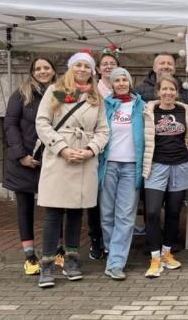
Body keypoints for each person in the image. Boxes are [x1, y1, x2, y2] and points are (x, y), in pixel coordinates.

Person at [35, 50, 109, 288]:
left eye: (87, 66)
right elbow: (42, 122)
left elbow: (103, 130)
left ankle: (72, 260)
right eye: (78, 65)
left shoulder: (96, 97)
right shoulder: (57, 90)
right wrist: (63, 148)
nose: (82, 70)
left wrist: (90, 150)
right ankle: (47, 263)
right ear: (70, 68)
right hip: (60, 157)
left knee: (77, 212)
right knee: (54, 212)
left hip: (85, 158)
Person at [3, 57, 57, 276]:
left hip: (52, 160)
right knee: (25, 208)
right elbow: (10, 125)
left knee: (56, 207)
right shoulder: (21, 94)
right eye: (38, 68)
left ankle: (57, 250)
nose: (42, 71)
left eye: (46, 68)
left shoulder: (61, 93)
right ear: (32, 72)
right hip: (24, 161)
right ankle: (29, 256)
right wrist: (21, 155)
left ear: (54, 70)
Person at [142, 75, 188, 278]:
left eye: (172, 89)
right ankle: (155, 257)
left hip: (180, 165)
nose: (168, 93)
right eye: (164, 89)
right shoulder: (148, 112)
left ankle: (167, 253)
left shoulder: (186, 112)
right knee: (153, 212)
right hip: (156, 166)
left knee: (174, 212)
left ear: (177, 92)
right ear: (158, 92)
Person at [97, 67, 145, 280]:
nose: (121, 83)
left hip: (131, 167)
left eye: (125, 79)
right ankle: (112, 250)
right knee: (107, 214)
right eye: (117, 80)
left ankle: (116, 262)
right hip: (108, 165)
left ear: (130, 82)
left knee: (125, 216)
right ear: (112, 84)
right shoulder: (104, 105)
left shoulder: (141, 106)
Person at [87, 45, 120, 260]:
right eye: (105, 64)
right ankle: (95, 239)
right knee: (95, 200)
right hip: (95, 150)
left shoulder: (123, 91)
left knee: (112, 202)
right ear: (98, 69)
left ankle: (113, 242)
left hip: (116, 152)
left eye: (112, 64)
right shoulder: (92, 91)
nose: (108, 67)